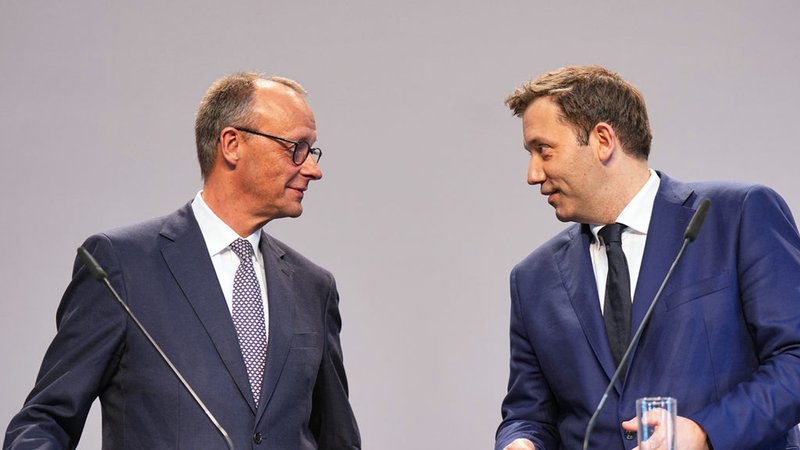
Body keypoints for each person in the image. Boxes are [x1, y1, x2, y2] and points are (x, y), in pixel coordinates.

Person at [4, 73, 361, 449]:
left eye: (312, 151)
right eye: (296, 148)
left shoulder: (313, 288)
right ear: (232, 144)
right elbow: (44, 422)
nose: (312, 169)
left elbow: (337, 438)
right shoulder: (122, 267)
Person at [494, 65, 800, 450]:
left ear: (603, 140)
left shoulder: (737, 216)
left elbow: (796, 357)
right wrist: (521, 441)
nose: (532, 173)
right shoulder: (532, 279)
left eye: (544, 150)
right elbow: (529, 415)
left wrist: (707, 432)